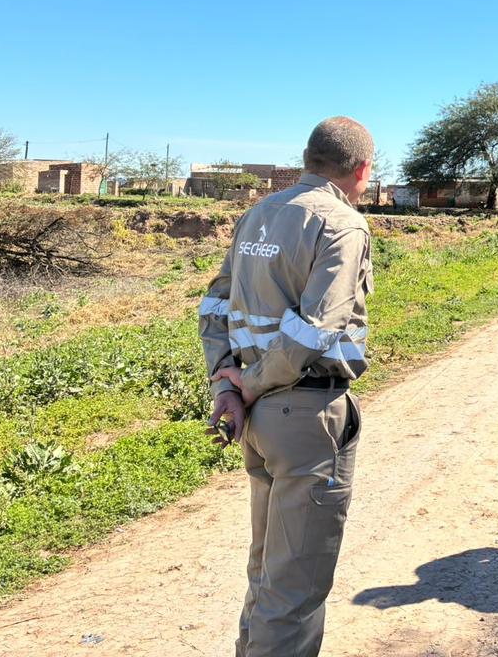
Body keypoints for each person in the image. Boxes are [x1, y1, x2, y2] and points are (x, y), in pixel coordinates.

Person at [200, 116, 375, 657]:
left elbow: (214, 305)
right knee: (294, 586)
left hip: (258, 421)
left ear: (308, 160)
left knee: (267, 572)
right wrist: (249, 386)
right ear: (362, 170)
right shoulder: (342, 224)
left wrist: (226, 385)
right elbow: (316, 330)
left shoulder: (259, 213)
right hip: (305, 416)